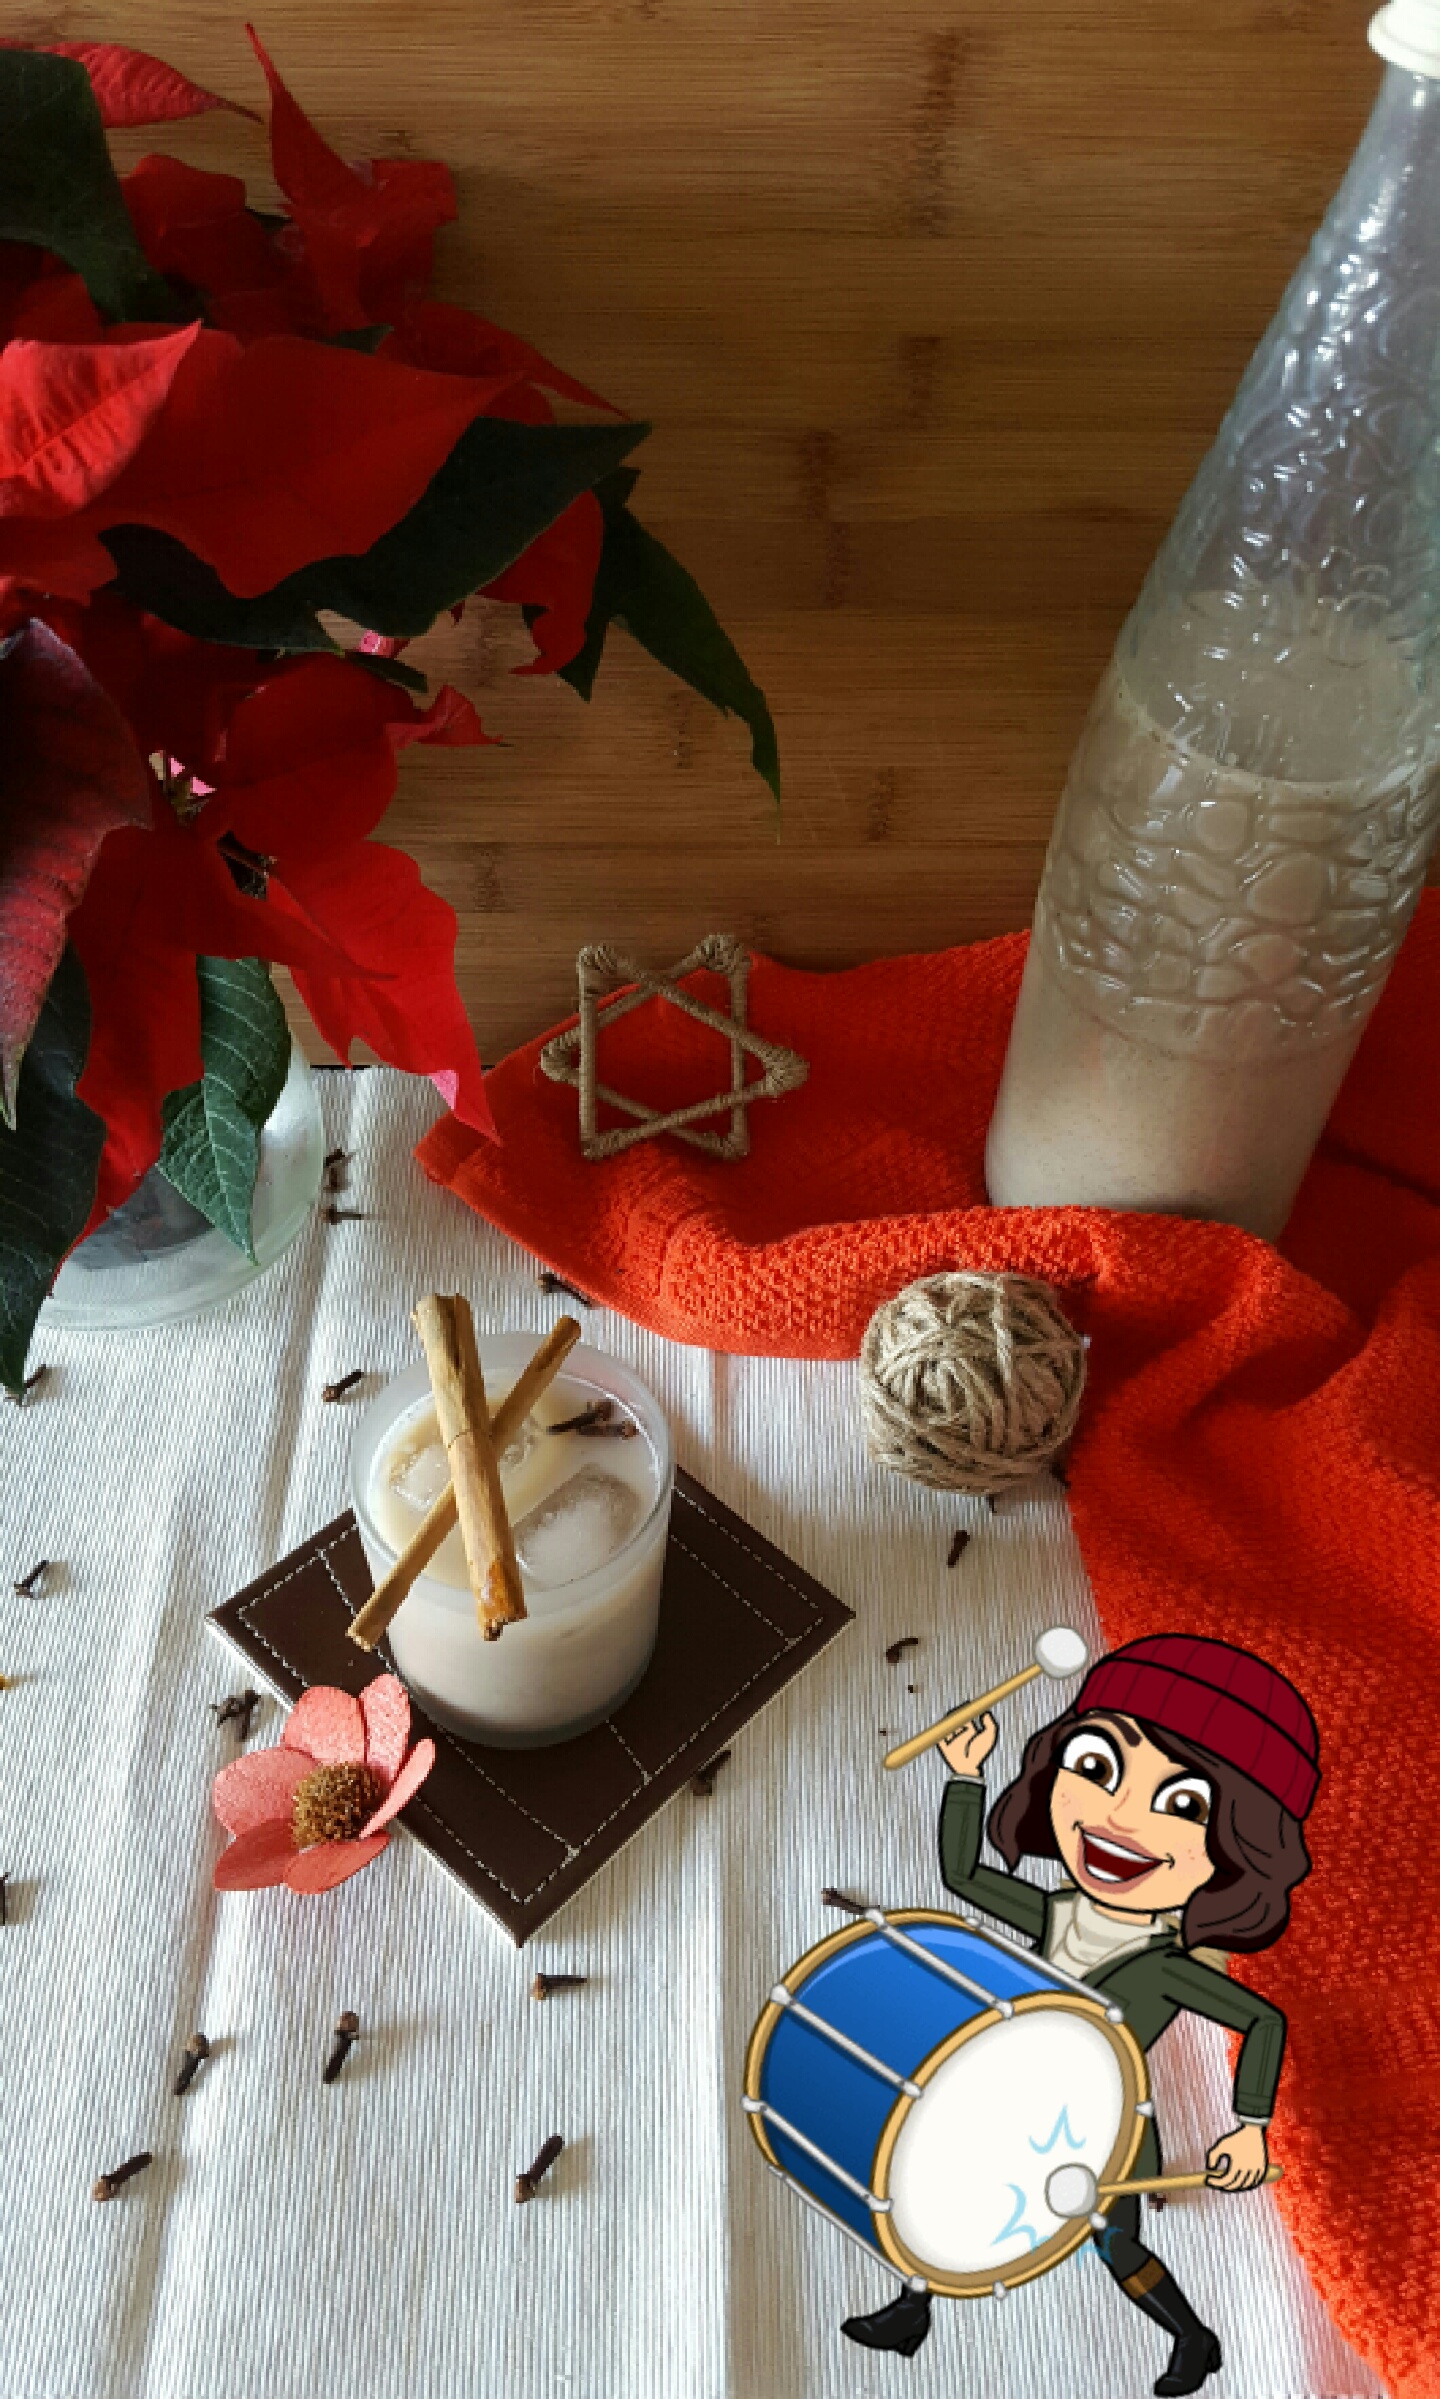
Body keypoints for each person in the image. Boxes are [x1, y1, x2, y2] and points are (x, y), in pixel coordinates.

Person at [841, 1633, 1319, 2398]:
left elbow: (1264, 2022)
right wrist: (966, 1774)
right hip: (1027, 2091)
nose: (1119, 1817)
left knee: (1114, 2242)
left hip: (1109, 2121)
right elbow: (962, 1873)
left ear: (1237, 1852)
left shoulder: (1168, 1965)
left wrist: (1250, 2127)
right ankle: (913, 2304)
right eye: (1096, 1766)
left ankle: (1193, 2338)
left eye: (1183, 1805)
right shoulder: (1057, 1910)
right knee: (949, 2181)